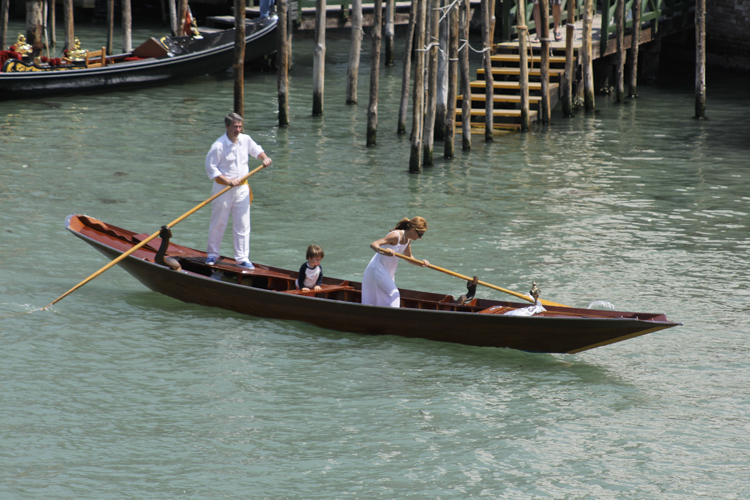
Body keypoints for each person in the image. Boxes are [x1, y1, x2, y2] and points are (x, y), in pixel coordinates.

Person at [205, 113, 272, 269]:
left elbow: (256, 150)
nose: (238, 129)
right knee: (218, 223)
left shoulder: (245, 139)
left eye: (240, 126)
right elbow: (211, 168)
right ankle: (212, 255)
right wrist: (228, 181)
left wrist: (265, 158)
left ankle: (242, 258)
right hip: (223, 188)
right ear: (227, 127)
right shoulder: (218, 146)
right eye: (235, 126)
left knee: (242, 223)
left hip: (242, 188)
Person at [361, 217, 430, 308]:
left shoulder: (407, 239)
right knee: (394, 294)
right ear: (413, 230)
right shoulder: (396, 236)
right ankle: (394, 317)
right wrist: (384, 251)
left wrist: (421, 263)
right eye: (420, 234)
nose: (420, 237)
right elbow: (373, 244)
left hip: (389, 270)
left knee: (384, 295)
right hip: (378, 268)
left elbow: (409, 257)